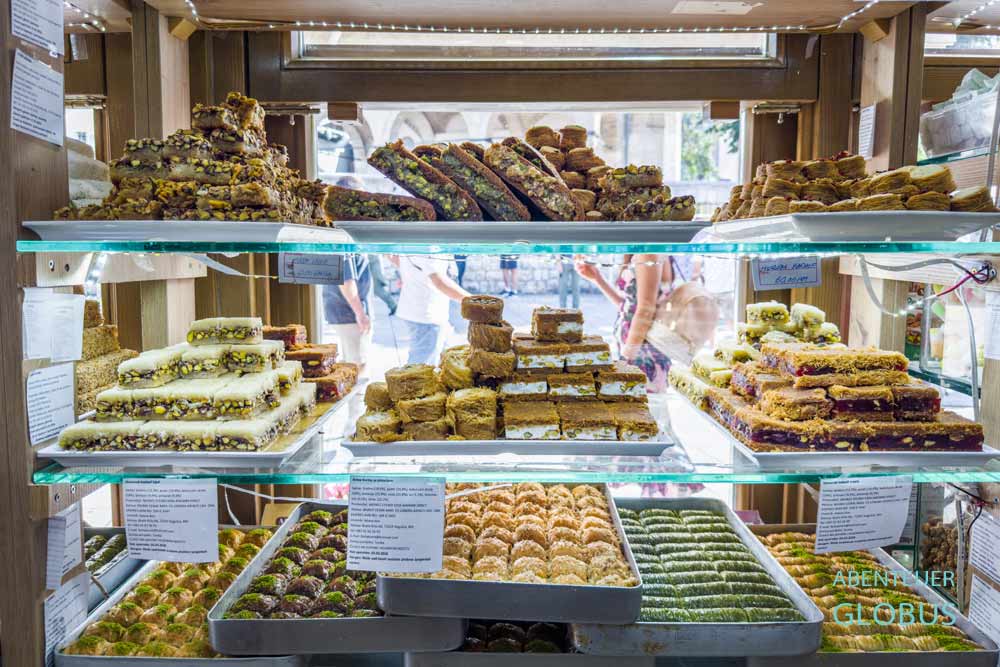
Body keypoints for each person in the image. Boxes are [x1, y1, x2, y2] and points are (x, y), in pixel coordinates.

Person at [576, 254, 674, 392]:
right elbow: (628, 306)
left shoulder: (648, 251)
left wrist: (625, 361)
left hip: (642, 355)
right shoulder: (638, 250)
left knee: (646, 409)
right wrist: (597, 279)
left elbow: (646, 309)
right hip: (635, 349)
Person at [397, 255, 470, 364]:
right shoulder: (428, 245)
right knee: (419, 372)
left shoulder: (417, 241)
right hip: (426, 316)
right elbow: (439, 281)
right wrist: (473, 300)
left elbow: (393, 257)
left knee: (450, 361)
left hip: (426, 311)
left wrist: (409, 273)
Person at [322, 254, 373, 370]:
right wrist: (360, 314)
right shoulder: (343, 242)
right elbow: (346, 281)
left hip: (345, 312)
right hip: (349, 314)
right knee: (357, 367)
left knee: (349, 365)